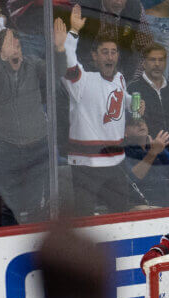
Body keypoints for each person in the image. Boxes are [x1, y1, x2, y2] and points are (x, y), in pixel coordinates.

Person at [55, 7, 131, 216]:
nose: (110, 56)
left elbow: (123, 101)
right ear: (95, 56)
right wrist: (73, 33)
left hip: (117, 161)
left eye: (113, 52)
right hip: (86, 165)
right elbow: (70, 63)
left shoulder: (120, 79)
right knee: (85, 219)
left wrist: (136, 106)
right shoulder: (81, 81)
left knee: (121, 216)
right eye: (104, 52)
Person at [0, 27, 51, 224]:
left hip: (37, 145)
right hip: (7, 147)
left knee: (35, 203)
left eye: (18, 46)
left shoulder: (33, 64)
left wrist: (60, 49)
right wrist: (1, 59)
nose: (15, 50)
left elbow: (55, 72)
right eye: (9, 47)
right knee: (5, 202)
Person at [127, 43, 169, 138]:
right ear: (144, 63)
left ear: (165, 63)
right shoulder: (133, 88)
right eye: (152, 60)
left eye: (161, 60)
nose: (157, 64)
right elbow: (131, 123)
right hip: (148, 147)